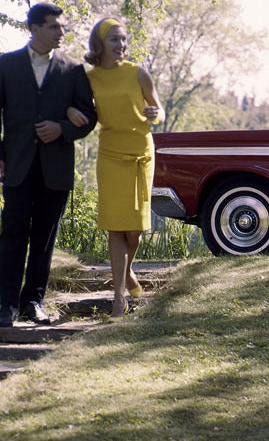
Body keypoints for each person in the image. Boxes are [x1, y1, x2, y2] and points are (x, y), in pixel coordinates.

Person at [0, 3, 97, 327]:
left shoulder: (73, 70)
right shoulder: (6, 65)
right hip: (16, 166)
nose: (62, 32)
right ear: (34, 28)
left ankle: (33, 301)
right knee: (13, 234)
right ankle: (7, 306)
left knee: (45, 237)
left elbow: (89, 118)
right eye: (55, 27)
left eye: (62, 27)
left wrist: (63, 128)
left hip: (55, 168)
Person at [68, 17, 163, 319]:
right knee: (115, 225)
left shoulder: (138, 73)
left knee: (134, 229)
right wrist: (70, 110)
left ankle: (127, 272)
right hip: (109, 154)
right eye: (114, 40)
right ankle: (118, 296)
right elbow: (79, 106)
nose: (121, 45)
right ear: (100, 44)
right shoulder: (90, 77)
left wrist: (155, 113)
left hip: (140, 153)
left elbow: (158, 110)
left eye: (123, 39)